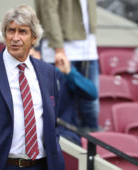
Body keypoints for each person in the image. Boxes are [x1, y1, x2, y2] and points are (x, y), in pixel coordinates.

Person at [0, 5, 65, 170]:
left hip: (43, 165)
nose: (15, 38)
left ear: (34, 38)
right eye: (11, 31)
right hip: (3, 165)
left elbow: (53, 124)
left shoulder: (48, 73)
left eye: (22, 32)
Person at [35, 0, 100, 131]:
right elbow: (49, 11)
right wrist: (59, 48)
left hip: (88, 48)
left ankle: (91, 147)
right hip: (61, 50)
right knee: (62, 110)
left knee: (91, 106)